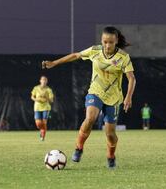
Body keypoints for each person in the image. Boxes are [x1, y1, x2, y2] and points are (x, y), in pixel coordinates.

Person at [42, 26, 136, 169]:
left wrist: (128, 97)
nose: (107, 45)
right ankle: (79, 148)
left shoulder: (123, 57)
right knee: (90, 118)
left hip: (114, 99)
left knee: (110, 134)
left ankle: (111, 156)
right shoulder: (95, 51)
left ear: (116, 41)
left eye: (110, 42)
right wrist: (55, 63)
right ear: (101, 40)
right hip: (95, 92)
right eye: (105, 42)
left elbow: (131, 79)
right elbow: (75, 55)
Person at [31, 76, 54, 141]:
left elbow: (51, 100)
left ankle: (42, 136)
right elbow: (32, 97)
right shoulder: (36, 88)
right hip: (37, 108)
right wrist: (36, 99)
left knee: (44, 123)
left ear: (47, 81)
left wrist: (47, 98)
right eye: (43, 80)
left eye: (45, 80)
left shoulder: (49, 90)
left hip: (46, 108)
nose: (44, 81)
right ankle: (41, 130)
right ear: (40, 80)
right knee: (38, 124)